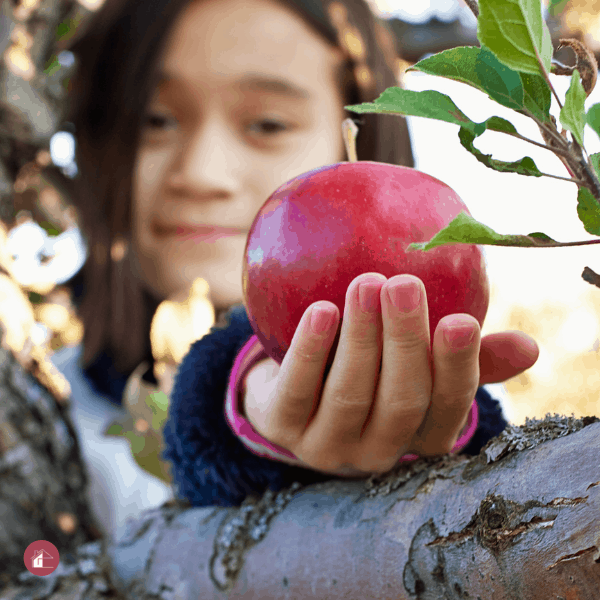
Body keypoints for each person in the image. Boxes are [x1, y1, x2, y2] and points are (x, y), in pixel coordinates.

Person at [56, 0, 540, 536]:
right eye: (155, 119)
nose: (202, 173)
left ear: (358, 134)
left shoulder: (493, 438)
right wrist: (230, 409)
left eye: (267, 123)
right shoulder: (35, 413)